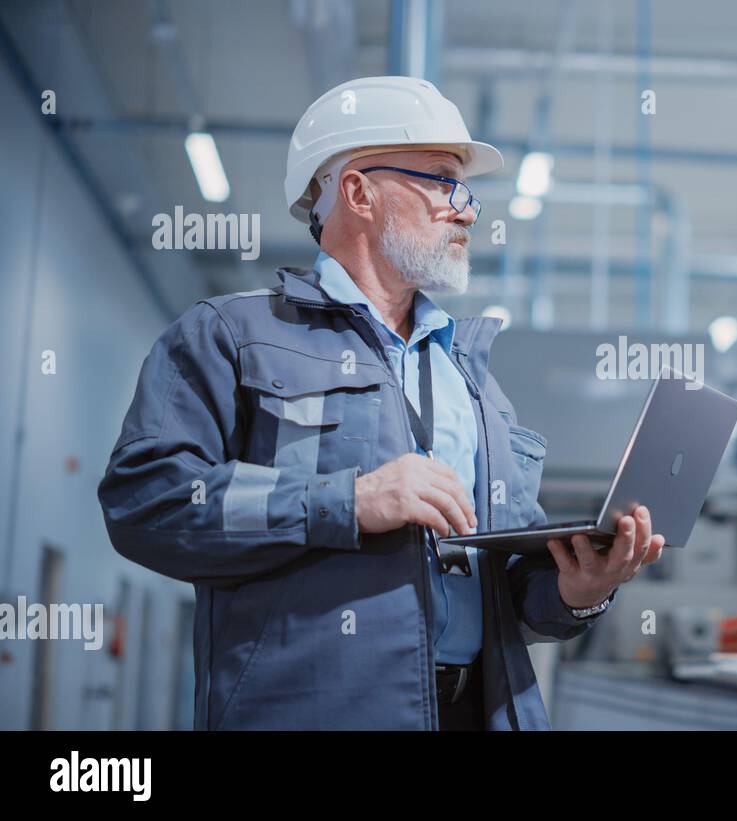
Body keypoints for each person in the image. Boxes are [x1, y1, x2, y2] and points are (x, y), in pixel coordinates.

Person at [98, 76, 664, 730]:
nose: (468, 209)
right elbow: (148, 502)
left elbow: (510, 586)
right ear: (359, 191)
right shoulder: (232, 336)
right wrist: (347, 501)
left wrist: (580, 590)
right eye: (442, 181)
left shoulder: (474, 383)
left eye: (467, 190)